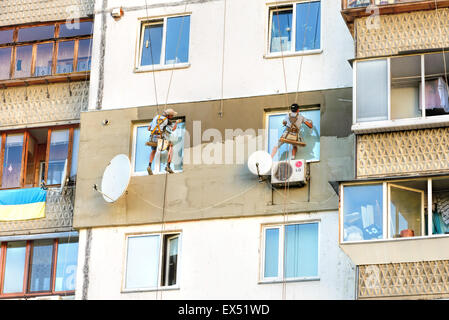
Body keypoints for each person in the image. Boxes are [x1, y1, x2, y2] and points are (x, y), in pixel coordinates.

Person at [146, 108, 182, 175]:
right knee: (170, 147)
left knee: (153, 151)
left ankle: (149, 165)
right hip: (160, 138)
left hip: (152, 138)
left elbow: (148, 128)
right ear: (168, 116)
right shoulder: (167, 121)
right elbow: (173, 129)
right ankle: (168, 166)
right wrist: (176, 122)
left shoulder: (156, 117)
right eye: (172, 116)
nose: (172, 117)